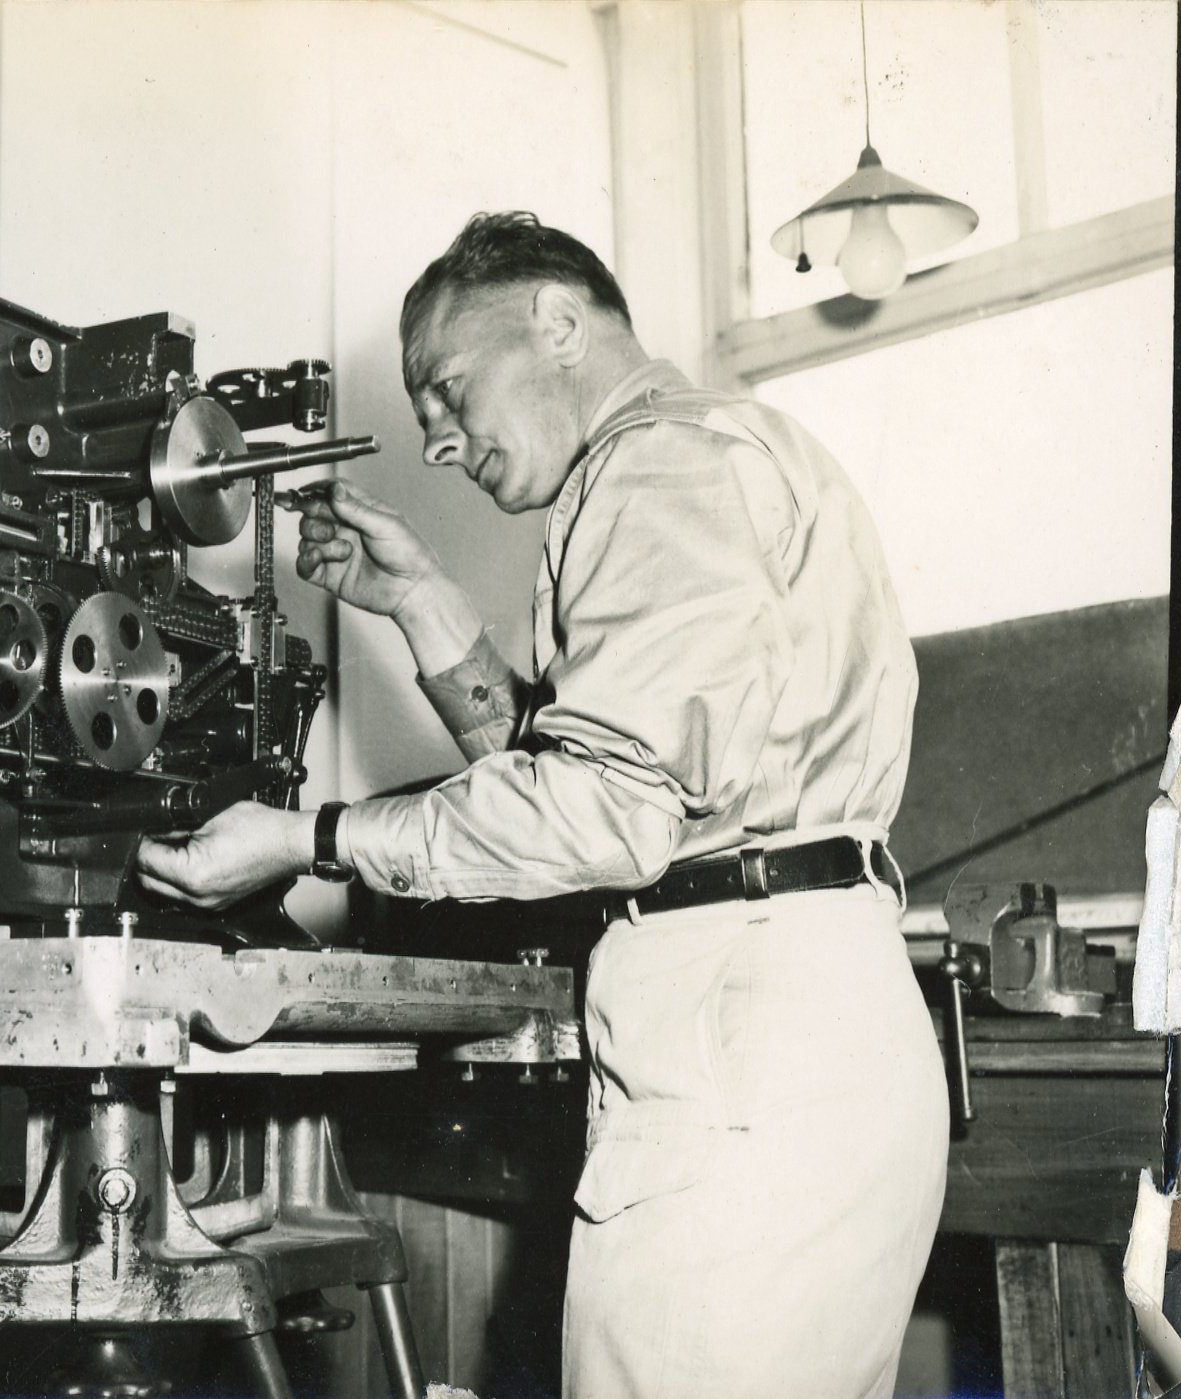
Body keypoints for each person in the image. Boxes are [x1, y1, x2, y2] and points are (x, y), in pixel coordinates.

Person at [136, 212, 947, 1398]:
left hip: (738, 1043)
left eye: (451, 393)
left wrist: (310, 840)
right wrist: (419, 602)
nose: (446, 444)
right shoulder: (723, 452)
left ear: (557, 322)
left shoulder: (655, 468)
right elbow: (592, 770)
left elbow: (599, 813)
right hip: (801, 1025)